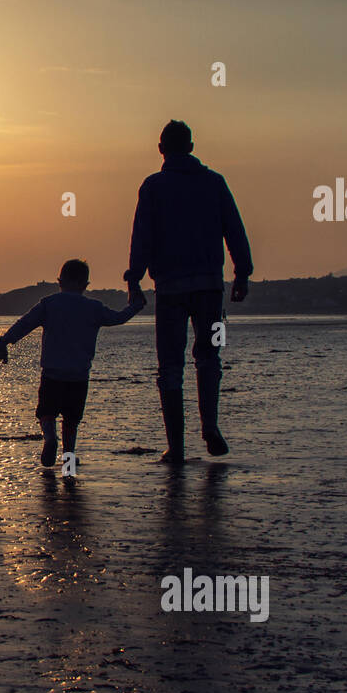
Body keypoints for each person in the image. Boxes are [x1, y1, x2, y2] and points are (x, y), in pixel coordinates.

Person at [124, 119, 253, 463]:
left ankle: (177, 446)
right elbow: (234, 230)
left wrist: (134, 277)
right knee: (210, 357)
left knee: (169, 365)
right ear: (192, 148)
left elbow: (143, 236)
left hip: (169, 289)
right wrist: (242, 273)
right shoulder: (214, 183)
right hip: (210, 287)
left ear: (161, 149)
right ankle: (210, 425)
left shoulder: (153, 187)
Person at [0, 259, 140, 468]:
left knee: (46, 412)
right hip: (79, 375)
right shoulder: (94, 307)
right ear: (85, 284)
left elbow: (23, 324)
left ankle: (50, 438)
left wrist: (4, 341)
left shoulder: (49, 304)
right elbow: (119, 317)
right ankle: (68, 461)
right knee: (71, 420)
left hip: (52, 373)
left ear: (60, 281)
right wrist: (135, 305)